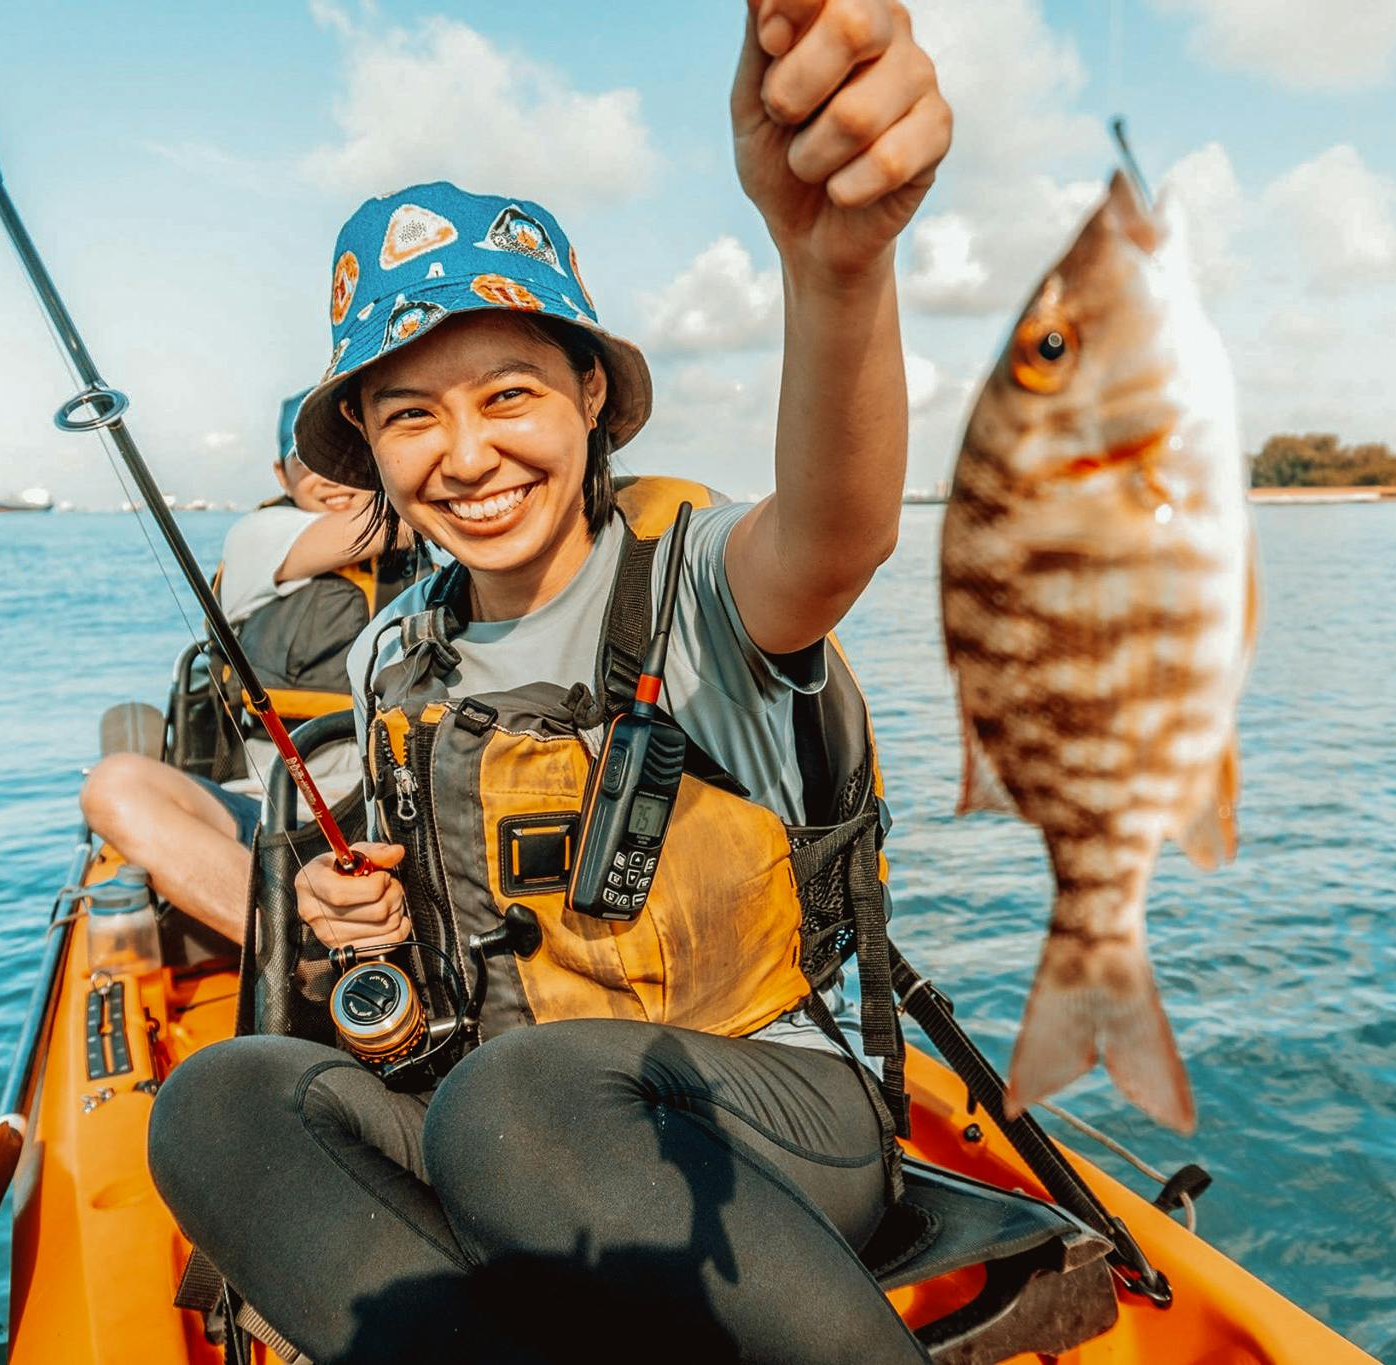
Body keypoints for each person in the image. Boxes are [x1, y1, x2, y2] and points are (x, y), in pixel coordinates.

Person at [149, 3, 951, 1359]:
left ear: (591, 396)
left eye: (506, 394)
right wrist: (360, 903)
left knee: (512, 1104)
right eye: (411, 415)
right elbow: (427, 877)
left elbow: (835, 531)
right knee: (223, 1101)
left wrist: (838, 269)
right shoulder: (396, 648)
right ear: (372, 452)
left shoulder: (692, 576)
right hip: (520, 1133)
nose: (463, 456)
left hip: (767, 1123)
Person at [79, 392, 415, 944]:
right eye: (308, 463)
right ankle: (289, 946)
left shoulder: (432, 556)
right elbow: (381, 526)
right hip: (275, 810)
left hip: (394, 811)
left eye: (350, 458)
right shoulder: (261, 536)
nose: (330, 478)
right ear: (281, 475)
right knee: (114, 785)